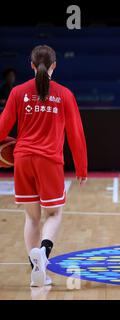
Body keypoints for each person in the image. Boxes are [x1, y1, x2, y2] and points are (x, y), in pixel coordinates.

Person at [0, 45, 87, 287]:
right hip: (49, 161)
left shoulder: (18, 92)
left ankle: (36, 271)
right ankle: (44, 253)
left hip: (23, 159)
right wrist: (81, 167)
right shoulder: (64, 94)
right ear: (54, 66)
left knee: (32, 218)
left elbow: (2, 128)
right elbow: (76, 134)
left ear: (31, 65)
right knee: (55, 213)